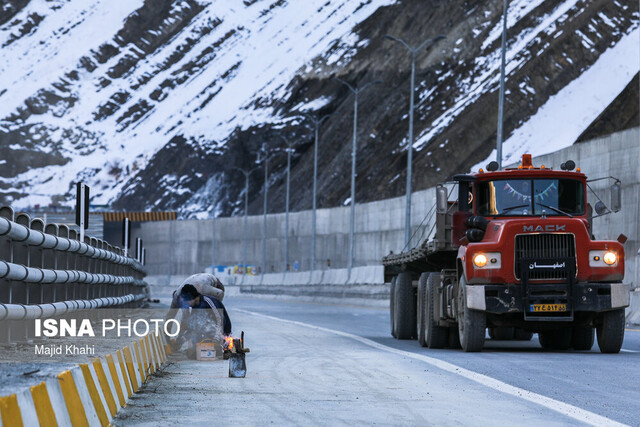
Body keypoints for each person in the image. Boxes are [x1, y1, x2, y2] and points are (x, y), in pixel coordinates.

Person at [168, 274, 232, 353]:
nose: (185, 304)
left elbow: (220, 321)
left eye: (186, 301)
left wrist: (216, 340)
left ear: (192, 298)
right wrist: (181, 340)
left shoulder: (209, 302)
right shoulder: (195, 308)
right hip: (207, 336)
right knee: (191, 353)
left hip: (220, 334)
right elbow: (191, 329)